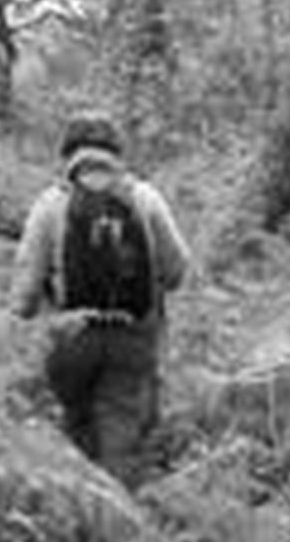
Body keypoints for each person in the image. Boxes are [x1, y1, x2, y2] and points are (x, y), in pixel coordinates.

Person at [11, 111, 191, 482]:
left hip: (71, 336)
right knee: (122, 428)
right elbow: (177, 271)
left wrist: (28, 315)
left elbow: (25, 296)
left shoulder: (50, 204)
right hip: (133, 337)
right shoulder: (145, 197)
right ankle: (124, 517)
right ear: (117, 154)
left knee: (77, 425)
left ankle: (84, 509)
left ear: (67, 157)